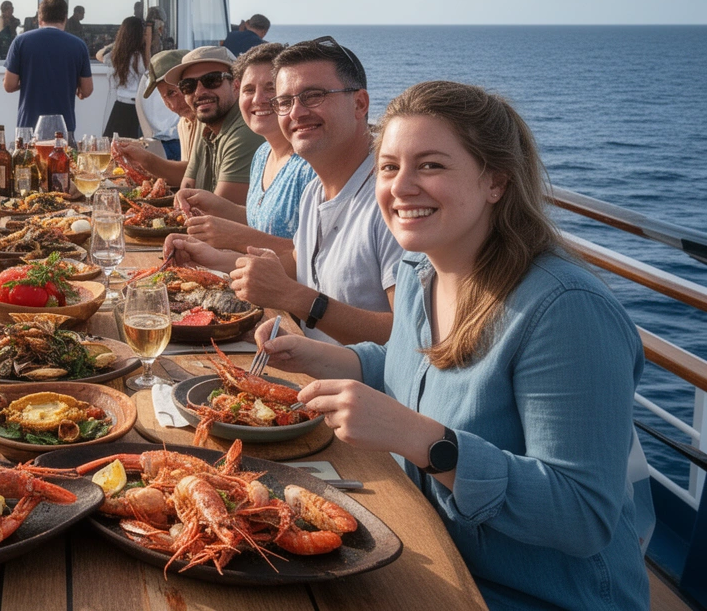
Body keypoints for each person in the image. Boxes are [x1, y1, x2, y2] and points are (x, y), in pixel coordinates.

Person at [259, 81, 650, 610]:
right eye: (389, 167)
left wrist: (422, 440)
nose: (401, 187)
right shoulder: (423, 268)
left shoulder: (566, 311)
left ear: (495, 180)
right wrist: (329, 358)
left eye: (431, 166)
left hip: (527, 593)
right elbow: (416, 372)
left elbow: (582, 515)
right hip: (431, 552)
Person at [167, 36, 402, 346]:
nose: (296, 112)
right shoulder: (315, 191)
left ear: (360, 104)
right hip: (305, 363)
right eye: (285, 101)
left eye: (314, 95)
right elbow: (302, 263)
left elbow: (409, 339)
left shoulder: (394, 200)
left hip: (357, 389)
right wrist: (213, 259)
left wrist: (295, 298)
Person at [176, 42, 317, 253]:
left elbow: (316, 259)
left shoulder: (310, 164)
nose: (258, 100)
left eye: (271, 88)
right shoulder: (262, 154)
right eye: (249, 90)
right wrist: (214, 205)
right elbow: (264, 220)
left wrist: (237, 238)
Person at [160, 45, 262, 206]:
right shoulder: (207, 120)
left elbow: (217, 213)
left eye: (212, 80)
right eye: (188, 86)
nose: (199, 92)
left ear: (236, 84)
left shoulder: (245, 131)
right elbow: (186, 189)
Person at [3, 0, 94, 135]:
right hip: (63, 127)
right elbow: (87, 90)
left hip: (28, 126)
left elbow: (8, 85)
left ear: (40, 18)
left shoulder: (21, 42)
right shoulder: (78, 45)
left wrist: (29, 80)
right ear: (65, 18)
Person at [98, 16, 149, 138]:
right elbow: (148, 68)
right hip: (136, 108)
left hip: (120, 106)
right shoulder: (139, 58)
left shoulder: (118, 56)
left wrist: (116, 43)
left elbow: (99, 55)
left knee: (114, 145)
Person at [133, 48, 188, 160]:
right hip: (161, 142)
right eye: (163, 97)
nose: (172, 106)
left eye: (173, 93)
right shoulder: (185, 124)